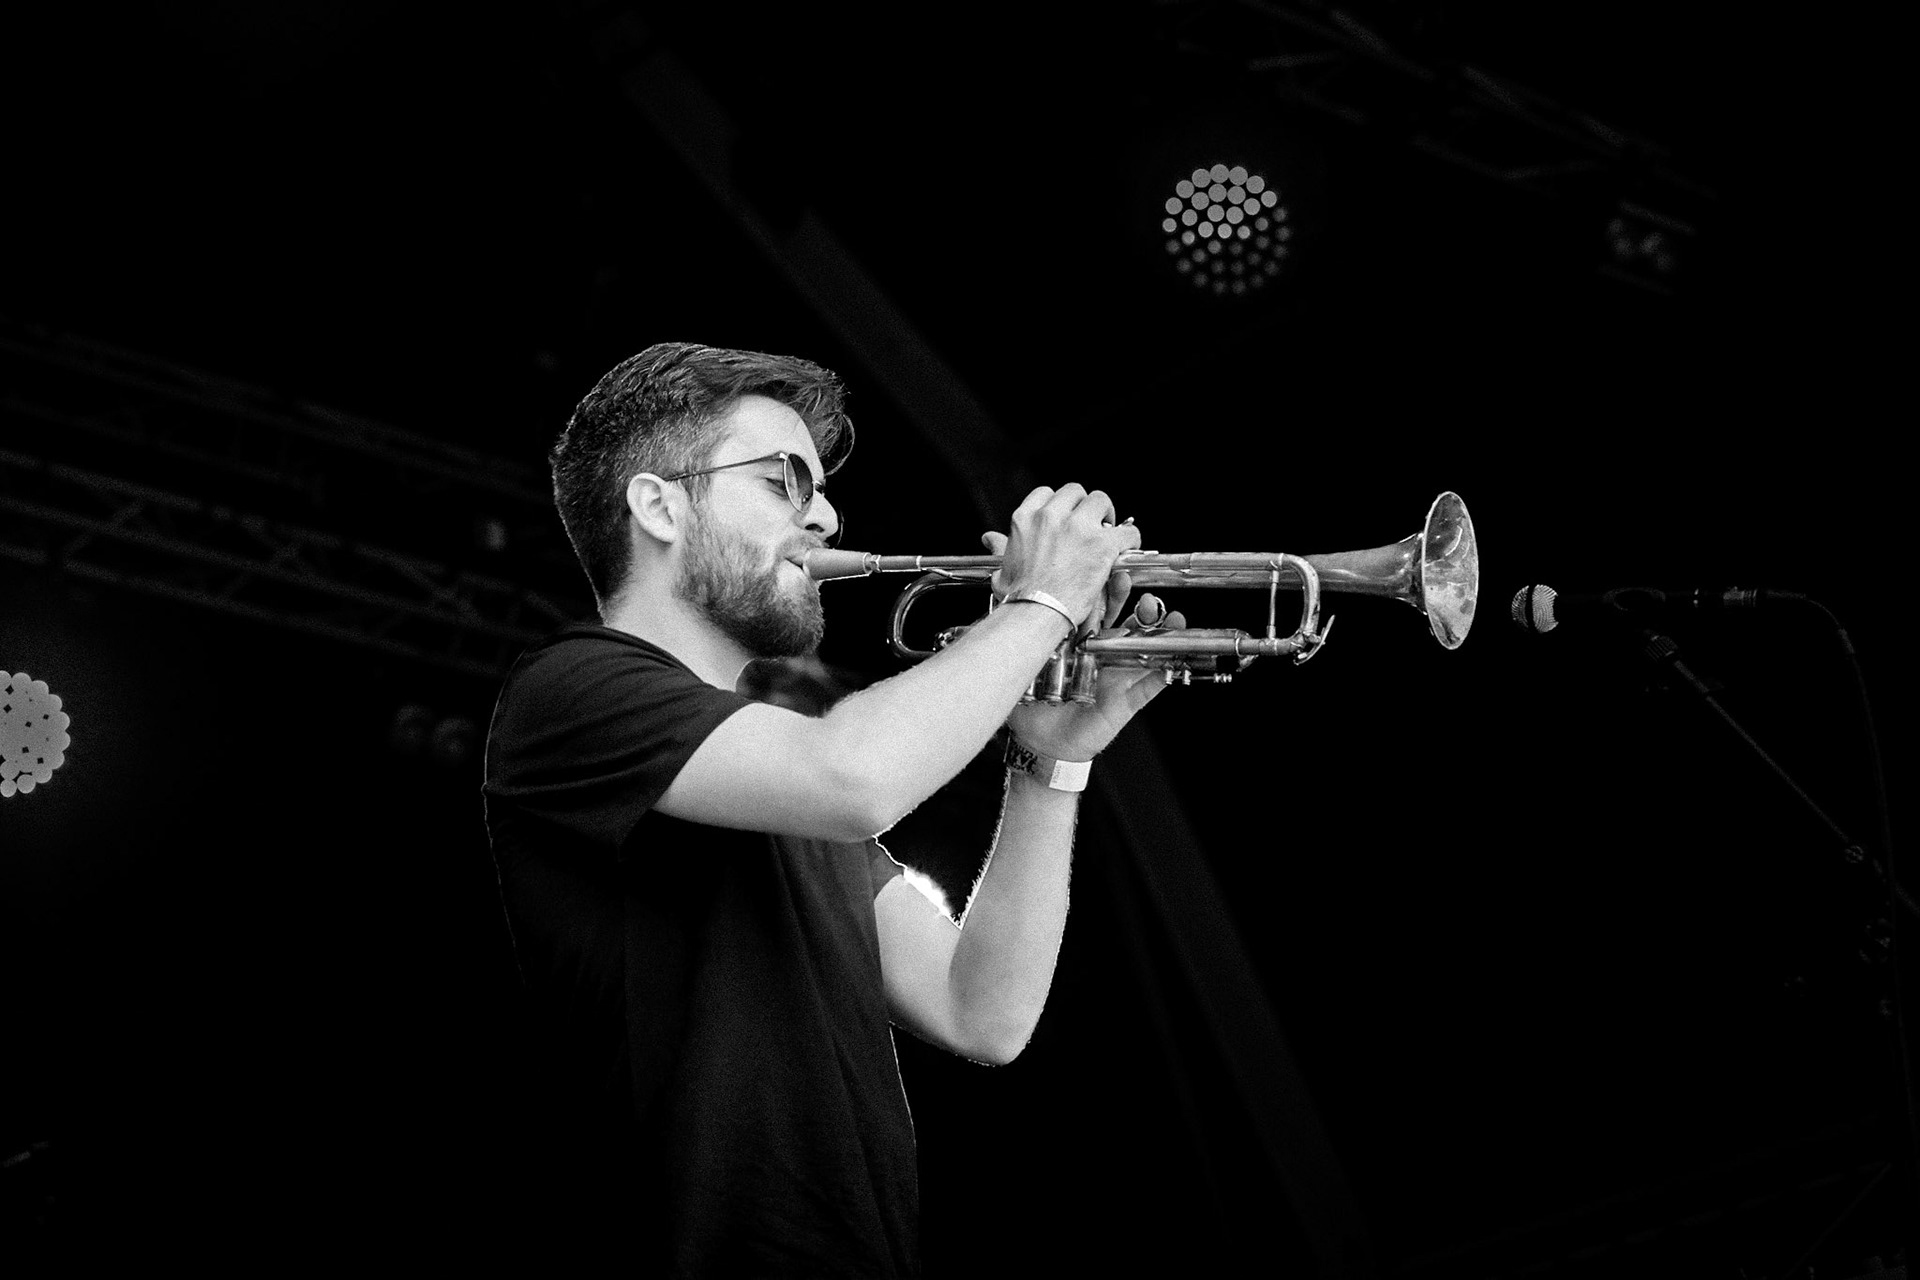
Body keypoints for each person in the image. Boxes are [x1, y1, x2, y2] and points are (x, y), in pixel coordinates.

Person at [481, 342, 1181, 1277]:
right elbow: (856, 778)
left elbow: (982, 1011)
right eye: (785, 480)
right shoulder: (571, 689)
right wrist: (1044, 602)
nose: (825, 515)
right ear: (659, 507)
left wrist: (1048, 762)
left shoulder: (777, 781)